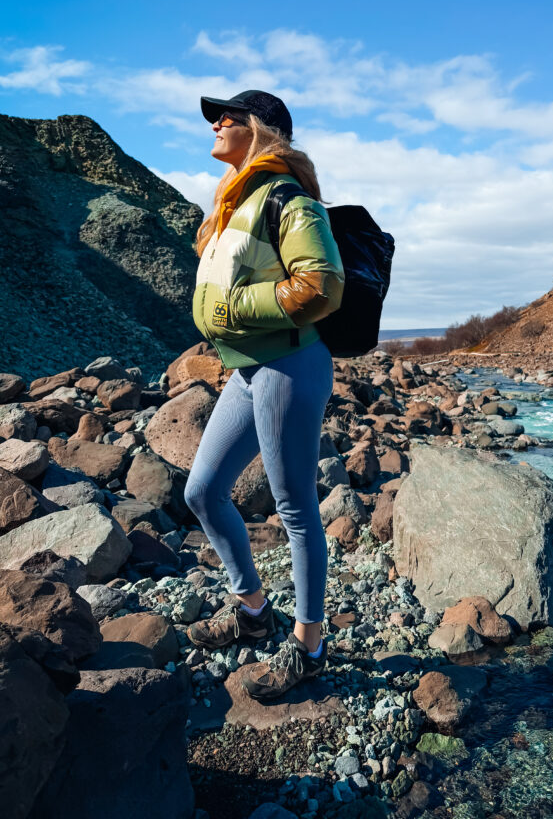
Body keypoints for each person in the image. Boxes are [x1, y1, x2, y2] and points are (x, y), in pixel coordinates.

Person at [183, 89, 345, 700]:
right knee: (200, 491)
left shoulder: (287, 199)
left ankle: (310, 648)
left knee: (296, 507)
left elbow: (322, 286)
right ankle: (254, 610)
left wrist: (234, 307)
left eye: (228, 116)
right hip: (248, 368)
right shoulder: (232, 203)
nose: (217, 124)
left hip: (289, 366)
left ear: (262, 130)